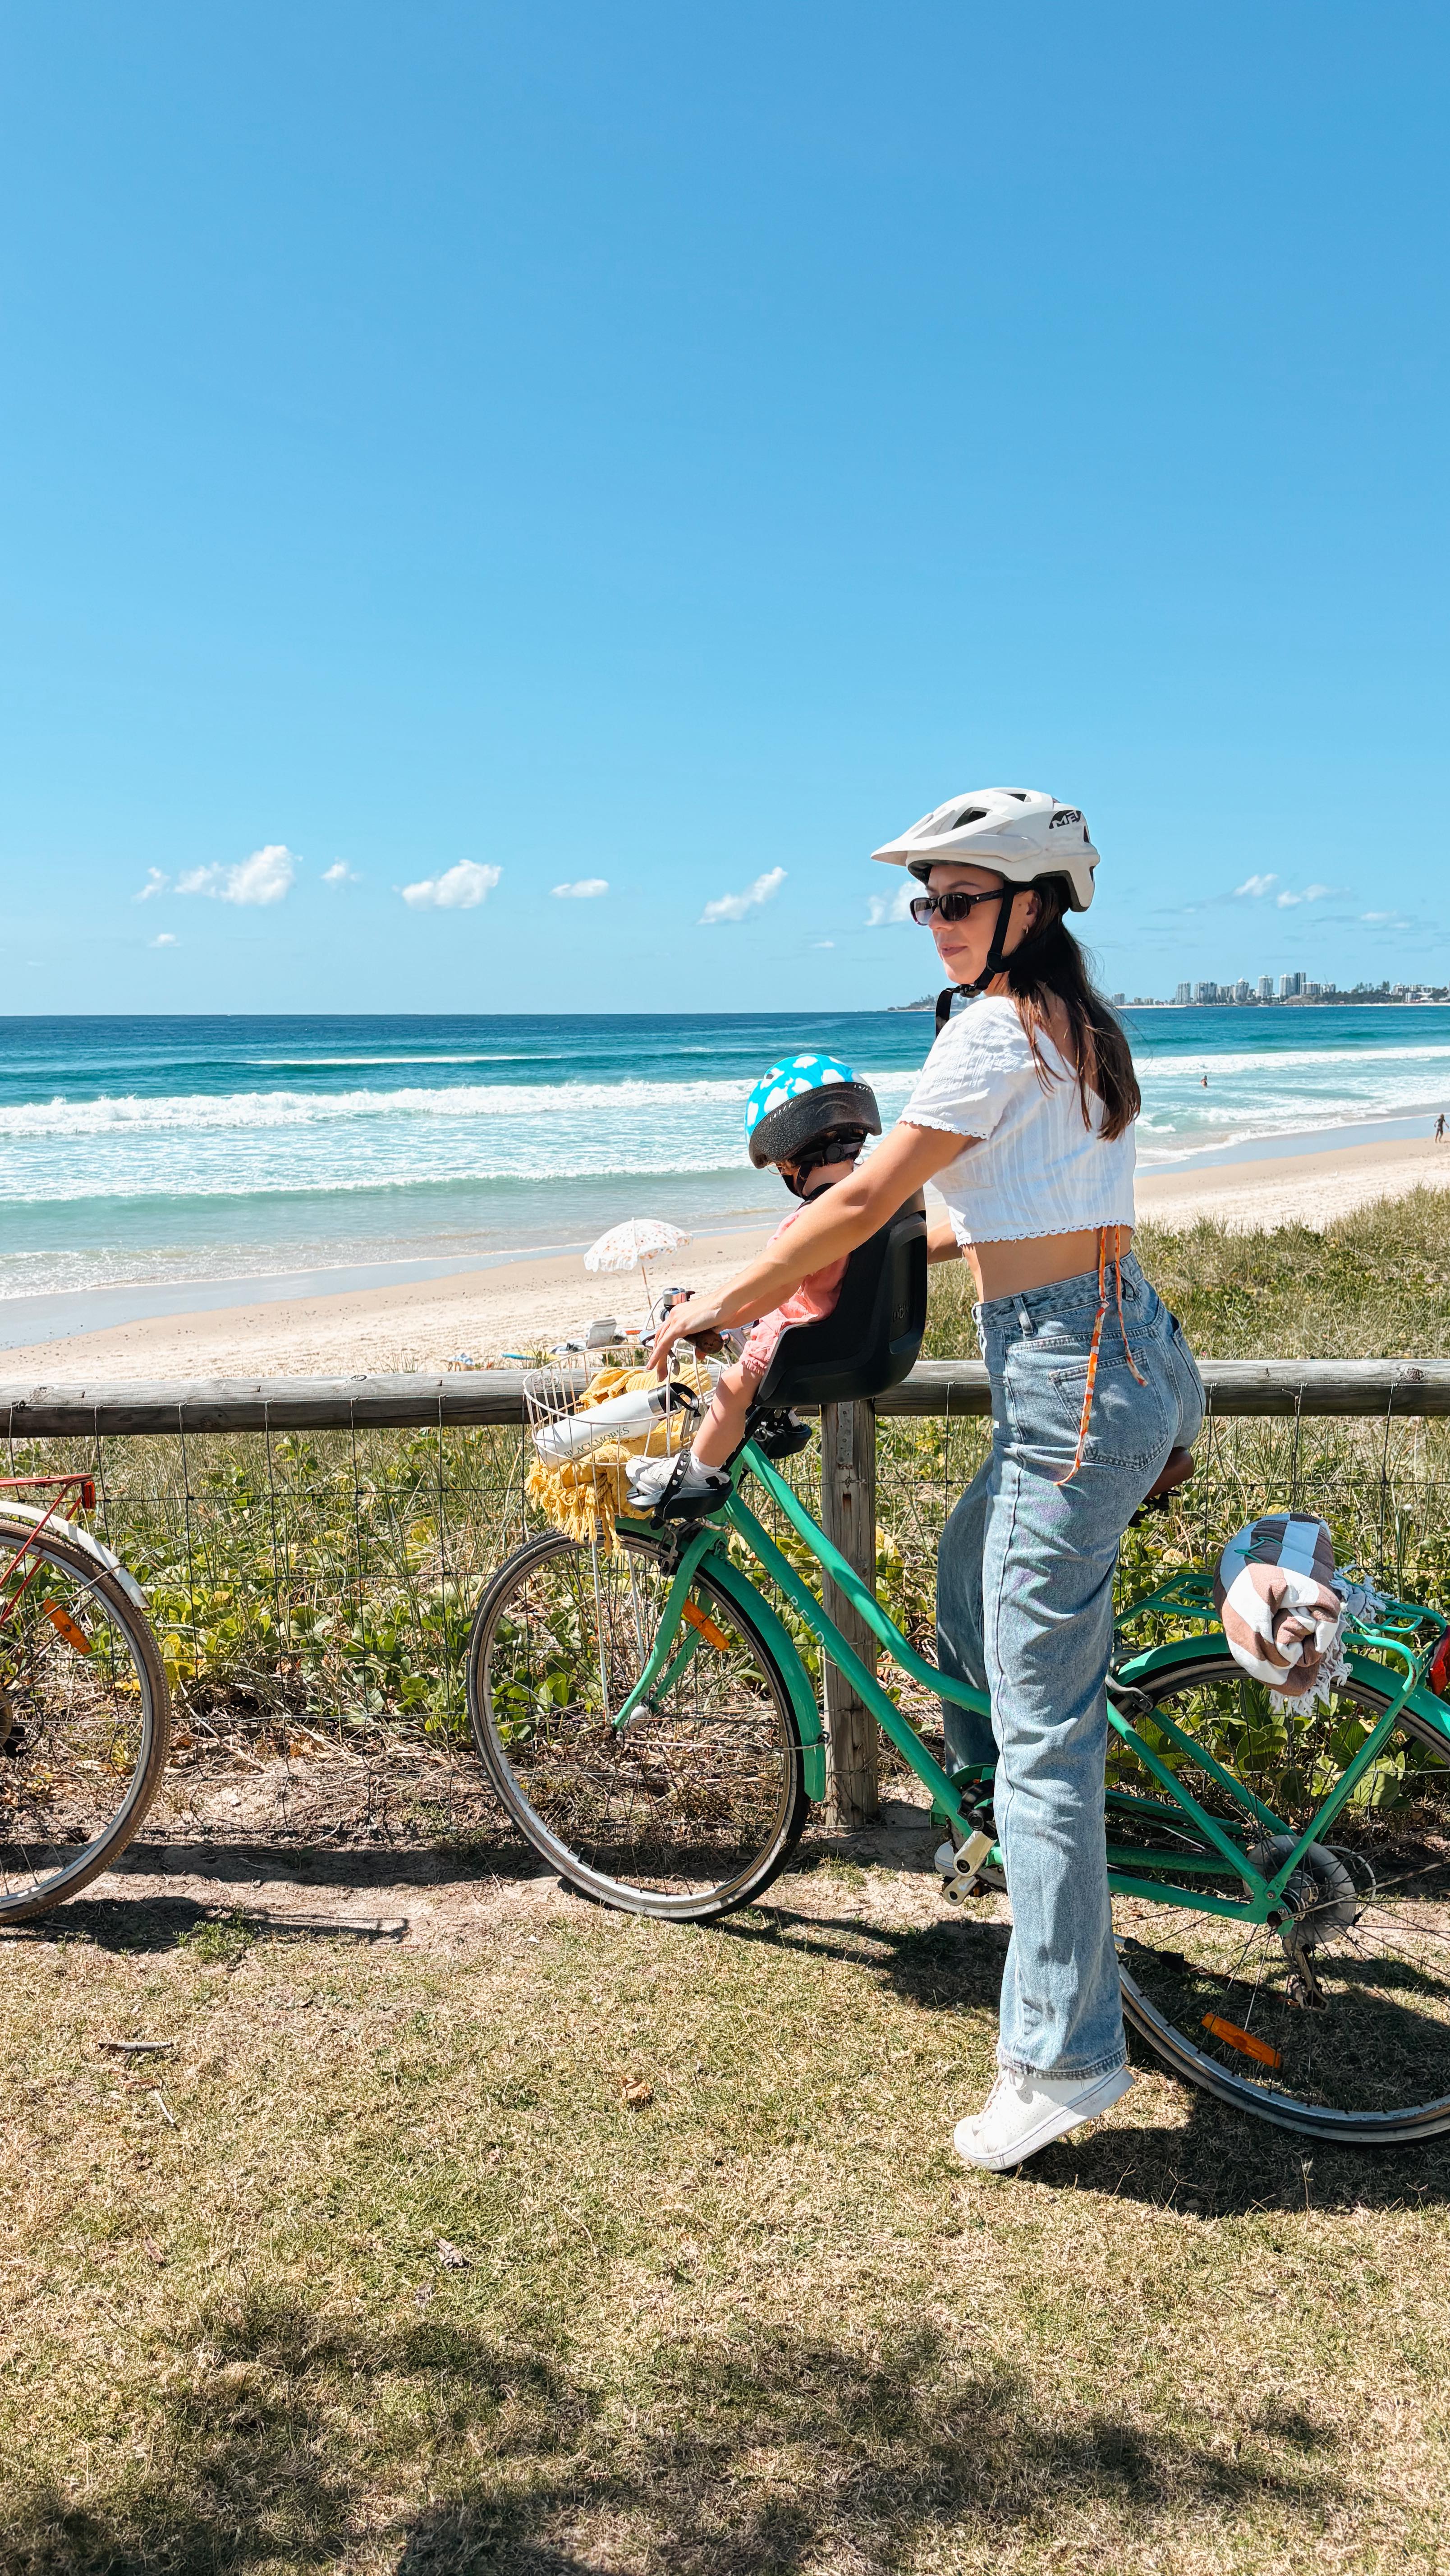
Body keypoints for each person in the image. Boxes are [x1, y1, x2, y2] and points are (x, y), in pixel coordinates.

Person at [651, 787, 1205, 2172]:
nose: (934, 923)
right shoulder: (1069, 1025)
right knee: (971, 1573)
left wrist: (709, 1304)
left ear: (1027, 906)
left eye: (954, 899)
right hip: (1122, 1342)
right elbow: (990, 1211)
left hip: (1070, 1374)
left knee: (1046, 1740)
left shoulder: (987, 1027)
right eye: (925, 902)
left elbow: (854, 1203)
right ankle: (990, 1824)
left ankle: (1063, 2058)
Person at [629, 1056, 881, 1513]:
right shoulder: (873, 1202)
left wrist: (721, 1313)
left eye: (780, 1166)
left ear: (790, 1157)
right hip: (843, 1327)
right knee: (747, 1341)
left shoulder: (810, 1222)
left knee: (731, 1385)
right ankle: (779, 1419)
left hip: (805, 1337)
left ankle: (699, 1470)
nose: (783, 1174)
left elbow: (776, 1290)